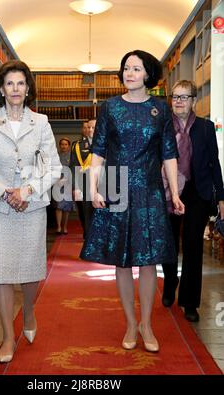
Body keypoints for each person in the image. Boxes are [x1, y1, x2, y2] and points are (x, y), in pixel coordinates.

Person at [80, 50, 184, 353]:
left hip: (150, 192)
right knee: (122, 261)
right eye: (126, 68)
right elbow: (97, 151)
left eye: (136, 69)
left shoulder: (160, 110)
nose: (129, 73)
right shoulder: (110, 107)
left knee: (150, 260)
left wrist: (174, 193)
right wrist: (93, 187)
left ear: (148, 75)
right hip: (117, 190)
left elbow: (169, 154)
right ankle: (129, 323)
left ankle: (146, 325)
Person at [0, 60, 61, 363]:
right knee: (0, 270)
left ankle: (30, 311)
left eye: (20, 83)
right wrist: (4, 192)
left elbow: (53, 167)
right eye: (9, 83)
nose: (15, 89)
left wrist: (28, 191)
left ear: (28, 89)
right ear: (1, 88)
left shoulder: (41, 122)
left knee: (29, 268)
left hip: (32, 206)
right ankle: (8, 337)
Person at [161, 80, 224, 322]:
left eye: (184, 97)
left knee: (193, 246)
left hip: (197, 193)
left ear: (194, 101)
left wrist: (221, 196)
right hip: (169, 191)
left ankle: (189, 302)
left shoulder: (206, 128)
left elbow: (214, 163)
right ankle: (169, 284)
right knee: (169, 244)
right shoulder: (164, 127)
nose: (178, 101)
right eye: (175, 96)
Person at [70, 119, 96, 239]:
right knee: (85, 213)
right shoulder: (77, 146)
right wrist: (75, 187)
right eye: (88, 127)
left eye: (93, 127)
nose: (90, 130)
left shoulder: (108, 143)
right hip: (84, 184)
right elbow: (73, 167)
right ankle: (88, 238)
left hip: (103, 184)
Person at [54, 137, 74, 234]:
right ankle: (58, 227)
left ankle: (64, 227)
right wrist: (57, 180)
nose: (64, 146)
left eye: (66, 144)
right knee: (58, 206)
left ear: (69, 146)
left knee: (66, 207)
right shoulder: (56, 156)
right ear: (59, 145)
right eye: (62, 144)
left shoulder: (72, 156)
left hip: (68, 184)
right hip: (58, 183)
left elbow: (74, 169)